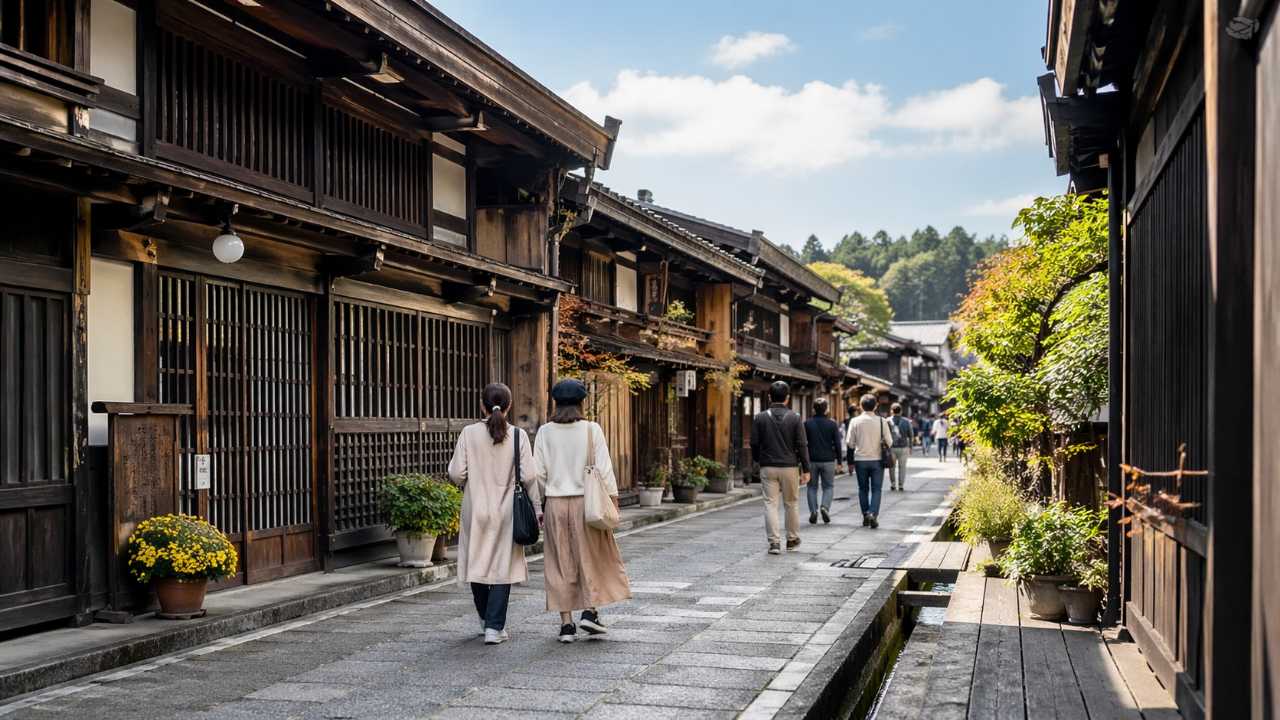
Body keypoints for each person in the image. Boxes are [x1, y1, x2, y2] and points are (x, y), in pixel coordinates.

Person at [534, 379, 632, 643]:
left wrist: (541, 503)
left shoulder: (545, 432)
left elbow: (538, 474)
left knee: (559, 562)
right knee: (590, 557)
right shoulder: (591, 430)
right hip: (586, 504)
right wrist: (612, 498)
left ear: (556, 402)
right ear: (581, 402)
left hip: (555, 503)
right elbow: (604, 469)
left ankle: (566, 625)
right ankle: (590, 612)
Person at [447, 383, 538, 646]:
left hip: (475, 507)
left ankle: (485, 620)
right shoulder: (518, 436)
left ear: (482, 405)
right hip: (506, 509)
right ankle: (494, 628)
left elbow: (456, 474)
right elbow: (530, 476)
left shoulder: (468, 433)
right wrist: (538, 507)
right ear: (509, 406)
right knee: (501, 567)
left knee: (477, 563)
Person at [751, 381, 810, 555]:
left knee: (770, 504)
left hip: (768, 466)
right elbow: (802, 445)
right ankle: (792, 539)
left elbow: (754, 443)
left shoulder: (760, 417)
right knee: (791, 503)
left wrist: (758, 460)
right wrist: (806, 469)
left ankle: (774, 543)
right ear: (787, 398)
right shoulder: (795, 417)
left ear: (770, 397)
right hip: (790, 466)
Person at [845, 394, 895, 528]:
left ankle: (866, 515)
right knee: (877, 489)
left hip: (860, 460)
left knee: (862, 489)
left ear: (861, 406)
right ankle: (873, 513)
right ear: (876, 406)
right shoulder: (881, 421)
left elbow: (850, 443)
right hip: (877, 460)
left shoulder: (854, 421)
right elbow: (890, 442)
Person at [803, 398, 840, 524]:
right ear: (827, 409)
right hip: (828, 460)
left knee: (811, 487)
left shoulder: (807, 423)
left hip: (812, 460)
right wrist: (839, 461)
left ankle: (813, 511)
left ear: (813, 409)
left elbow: (803, 444)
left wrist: (802, 462)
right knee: (828, 486)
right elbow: (838, 444)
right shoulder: (832, 424)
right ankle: (825, 507)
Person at [887, 403, 914, 491]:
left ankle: (893, 484)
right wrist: (910, 447)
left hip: (891, 447)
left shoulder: (887, 421)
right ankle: (901, 484)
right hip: (903, 447)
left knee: (892, 467)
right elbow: (911, 435)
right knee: (902, 467)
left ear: (891, 411)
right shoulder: (907, 421)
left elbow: (884, 435)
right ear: (901, 411)